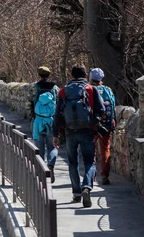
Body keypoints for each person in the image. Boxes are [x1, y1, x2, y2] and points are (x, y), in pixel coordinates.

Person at [53, 65, 105, 208]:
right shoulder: (90, 89)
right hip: (87, 131)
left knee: (72, 162)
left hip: (69, 131)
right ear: (85, 75)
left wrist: (55, 134)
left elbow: (57, 114)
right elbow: (102, 110)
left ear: (71, 75)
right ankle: (86, 187)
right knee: (89, 161)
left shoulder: (63, 91)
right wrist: (93, 122)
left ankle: (76, 193)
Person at [32, 66, 59, 183]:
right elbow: (58, 104)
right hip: (51, 121)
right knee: (52, 146)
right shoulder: (54, 88)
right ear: (49, 75)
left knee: (39, 148)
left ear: (39, 75)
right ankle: (51, 165)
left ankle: (41, 172)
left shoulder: (36, 87)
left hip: (38, 121)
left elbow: (32, 102)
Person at [89, 68, 116, 185]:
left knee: (91, 150)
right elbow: (113, 106)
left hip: (93, 125)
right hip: (106, 125)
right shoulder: (108, 90)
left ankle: (92, 175)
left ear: (90, 78)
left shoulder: (89, 89)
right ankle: (105, 176)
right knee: (105, 149)